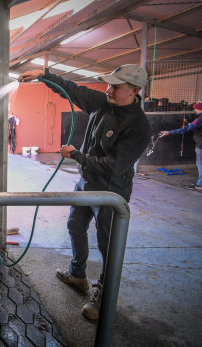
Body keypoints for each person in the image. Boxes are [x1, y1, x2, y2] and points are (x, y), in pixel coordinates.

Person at [18, 64, 151, 321]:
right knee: (75, 226)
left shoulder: (139, 126)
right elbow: (72, 89)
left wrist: (76, 155)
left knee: (108, 246)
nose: (110, 90)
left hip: (111, 193)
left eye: (117, 86)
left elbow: (114, 167)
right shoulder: (103, 103)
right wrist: (44, 76)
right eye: (110, 84)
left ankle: (104, 298)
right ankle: (78, 276)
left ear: (135, 90)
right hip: (86, 183)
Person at [159, 101, 202, 190]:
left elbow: (187, 128)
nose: (194, 109)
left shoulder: (200, 118)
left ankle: (200, 184)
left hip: (201, 145)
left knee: (200, 163)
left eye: (196, 108)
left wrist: (169, 132)